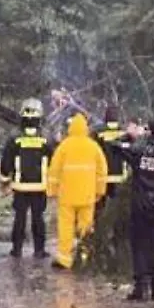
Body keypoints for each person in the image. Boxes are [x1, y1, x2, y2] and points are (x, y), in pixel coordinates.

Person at [105, 117, 154, 301]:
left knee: (139, 245)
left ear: (149, 132)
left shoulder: (138, 150)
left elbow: (113, 145)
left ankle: (141, 287)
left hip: (141, 205)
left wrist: (131, 135)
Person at [46, 112, 107, 270]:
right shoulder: (94, 147)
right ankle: (84, 256)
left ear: (71, 128)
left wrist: (52, 191)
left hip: (67, 196)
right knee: (86, 226)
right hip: (87, 196)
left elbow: (54, 171)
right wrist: (100, 192)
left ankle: (64, 258)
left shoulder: (64, 146)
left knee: (65, 227)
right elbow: (102, 172)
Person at [1, 97, 51, 258]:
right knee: (38, 218)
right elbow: (54, 161)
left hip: (20, 186)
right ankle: (39, 250)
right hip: (40, 186)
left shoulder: (14, 137)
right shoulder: (46, 138)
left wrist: (4, 182)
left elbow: (6, 162)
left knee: (20, 218)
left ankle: (17, 249)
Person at [94, 105, 129, 201]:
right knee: (117, 201)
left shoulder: (98, 131)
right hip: (120, 173)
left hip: (103, 173)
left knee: (101, 201)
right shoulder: (124, 131)